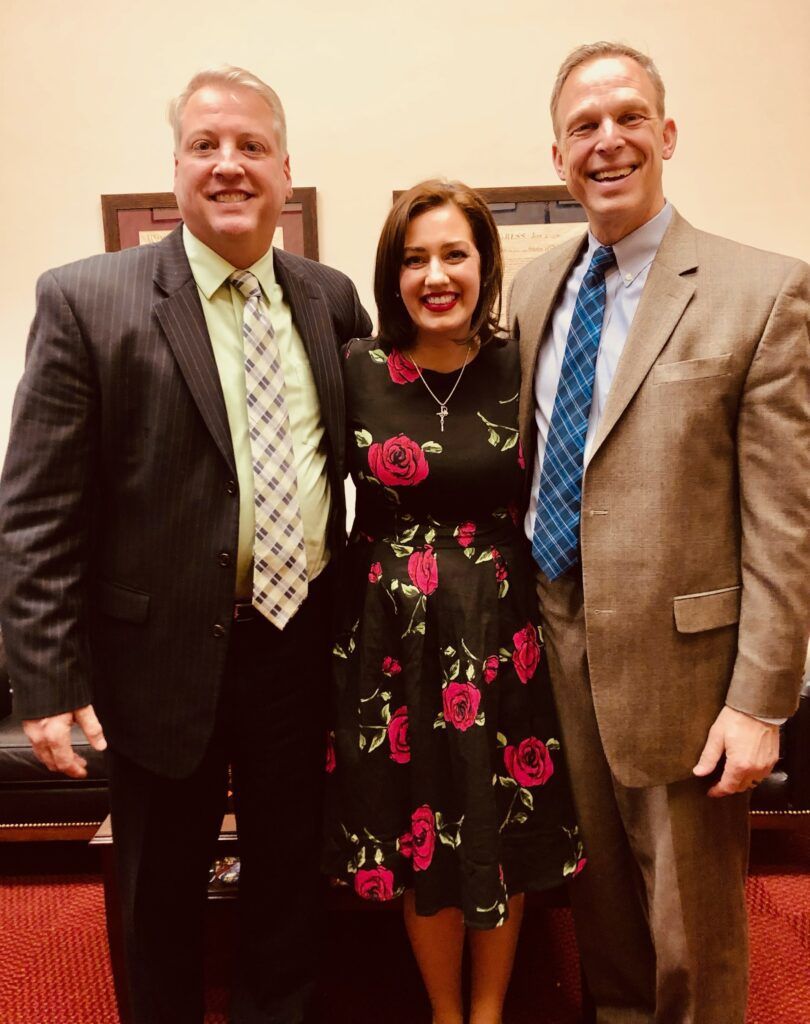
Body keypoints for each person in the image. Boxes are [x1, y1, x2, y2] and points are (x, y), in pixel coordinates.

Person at [0, 65, 371, 1024]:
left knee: (290, 877)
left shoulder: (329, 300)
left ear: (286, 171)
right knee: (156, 890)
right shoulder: (89, 300)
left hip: (298, 644)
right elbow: (38, 508)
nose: (229, 165)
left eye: (251, 146)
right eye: (206, 145)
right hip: (155, 656)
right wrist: (45, 679)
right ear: (175, 169)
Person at [509, 41, 810, 1024]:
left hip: (689, 674)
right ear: (558, 154)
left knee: (694, 938)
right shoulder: (529, 291)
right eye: (585, 126)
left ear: (666, 133)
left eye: (629, 117)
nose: (609, 141)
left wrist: (762, 701)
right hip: (558, 649)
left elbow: (783, 519)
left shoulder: (762, 291)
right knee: (602, 920)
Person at [323, 179, 584, 1024]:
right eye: (414, 258)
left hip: (504, 632)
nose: (436, 274)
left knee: (494, 831)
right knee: (421, 835)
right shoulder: (356, 368)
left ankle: (489, 1011)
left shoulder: (523, 359)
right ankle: (443, 1012)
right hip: (390, 641)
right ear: (392, 274)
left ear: (485, 262)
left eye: (454, 254)